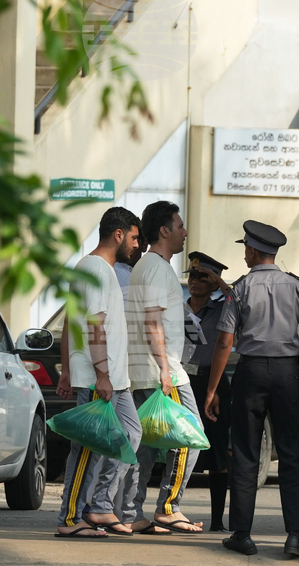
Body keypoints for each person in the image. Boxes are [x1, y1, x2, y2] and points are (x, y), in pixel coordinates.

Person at [204, 220, 299, 558]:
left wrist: (213, 390)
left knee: (245, 452)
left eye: (245, 247)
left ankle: (242, 535)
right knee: (293, 454)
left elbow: (225, 342)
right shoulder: (298, 287)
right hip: (289, 374)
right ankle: (295, 537)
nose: (244, 252)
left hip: (251, 372)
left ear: (253, 250)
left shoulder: (239, 289)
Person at [54, 207, 143, 537]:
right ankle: (70, 518)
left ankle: (101, 507)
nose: (136, 245)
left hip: (114, 378)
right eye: (134, 237)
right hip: (100, 377)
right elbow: (93, 325)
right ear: (118, 235)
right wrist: (101, 375)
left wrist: (65, 369)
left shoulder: (97, 269)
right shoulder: (95, 269)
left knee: (131, 434)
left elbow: (68, 324)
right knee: (87, 447)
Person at [124, 200, 207, 535]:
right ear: (164, 230)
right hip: (164, 369)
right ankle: (169, 507)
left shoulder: (147, 266)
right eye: (180, 225)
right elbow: (152, 322)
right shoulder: (157, 267)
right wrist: (164, 369)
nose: (185, 232)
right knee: (190, 435)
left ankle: (131, 511)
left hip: (147, 369)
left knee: (146, 446)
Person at [182, 252, 233, 532]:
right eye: (192, 275)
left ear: (214, 283)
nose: (196, 281)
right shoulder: (177, 308)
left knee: (217, 453)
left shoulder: (223, 307)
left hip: (211, 382)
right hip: (182, 381)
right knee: (177, 446)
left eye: (204, 277)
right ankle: (170, 509)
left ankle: (217, 521)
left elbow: (239, 303)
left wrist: (222, 283)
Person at [114, 228, 148, 306]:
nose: (127, 246)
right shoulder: (115, 270)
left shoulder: (145, 274)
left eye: (134, 240)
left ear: (144, 246)